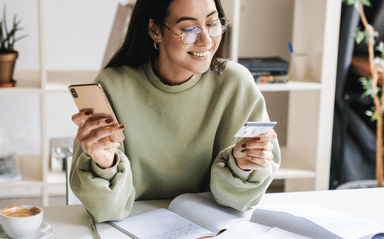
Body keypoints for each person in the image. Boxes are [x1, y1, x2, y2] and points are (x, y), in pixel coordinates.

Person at [70, 0, 281, 223]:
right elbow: (106, 211)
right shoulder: (113, 86)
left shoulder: (236, 84)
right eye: (189, 29)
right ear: (155, 30)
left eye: (213, 23)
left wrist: (242, 166)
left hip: (212, 230)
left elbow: (239, 203)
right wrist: (104, 164)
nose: (207, 40)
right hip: (131, 230)